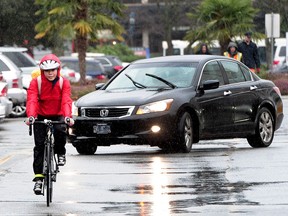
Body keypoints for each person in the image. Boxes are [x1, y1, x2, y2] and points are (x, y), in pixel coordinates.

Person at [25, 54, 74, 195]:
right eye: (47, 71)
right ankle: (39, 179)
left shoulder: (63, 82)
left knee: (60, 131)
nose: (50, 73)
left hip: (58, 114)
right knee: (39, 146)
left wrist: (67, 117)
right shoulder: (36, 82)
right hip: (40, 116)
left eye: (53, 70)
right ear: (42, 71)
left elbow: (66, 100)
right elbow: (32, 100)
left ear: (58, 69)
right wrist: (31, 117)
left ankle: (61, 153)